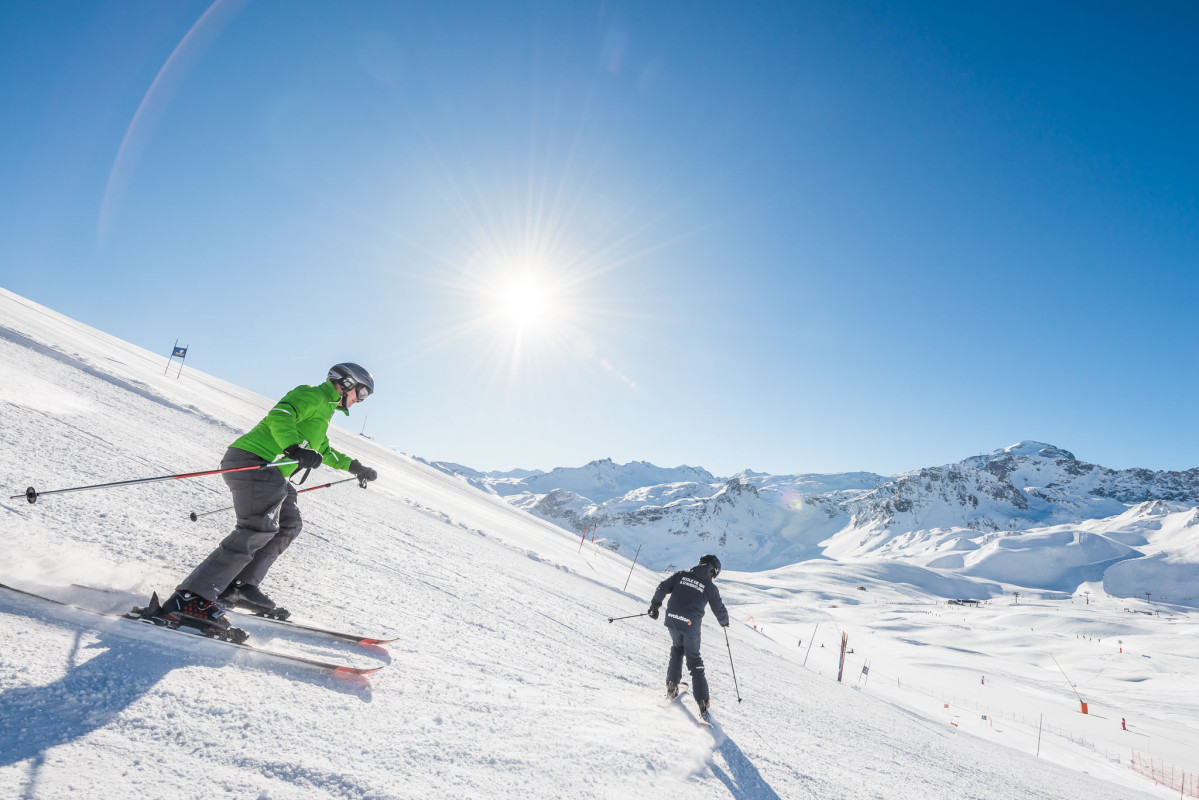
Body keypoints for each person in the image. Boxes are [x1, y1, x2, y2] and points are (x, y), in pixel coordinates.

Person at [145, 363, 379, 640]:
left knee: (289, 524)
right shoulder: (312, 394)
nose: (361, 400)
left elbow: (323, 449)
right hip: (255, 461)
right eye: (362, 392)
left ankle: (239, 586)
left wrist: (355, 467)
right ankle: (190, 599)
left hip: (275, 472)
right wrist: (292, 447)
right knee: (257, 529)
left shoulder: (325, 409)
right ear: (347, 382)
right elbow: (280, 416)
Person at [648, 554, 729, 720]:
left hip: (672, 619)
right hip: (690, 624)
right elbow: (719, 608)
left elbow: (662, 587)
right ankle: (702, 702)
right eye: (714, 574)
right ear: (712, 570)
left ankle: (672, 687)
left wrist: (655, 605)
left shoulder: (681, 575)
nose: (713, 577)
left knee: (677, 649)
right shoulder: (709, 586)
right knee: (694, 660)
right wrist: (724, 622)